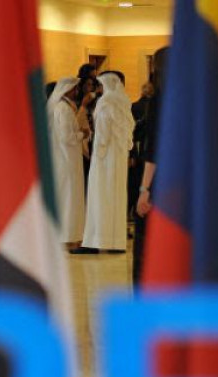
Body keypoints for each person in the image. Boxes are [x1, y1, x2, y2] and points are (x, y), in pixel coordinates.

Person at [75, 73, 135, 254]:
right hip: (119, 159)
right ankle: (116, 243)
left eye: (100, 85)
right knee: (116, 198)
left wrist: (97, 154)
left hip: (104, 160)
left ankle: (94, 242)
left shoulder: (105, 103)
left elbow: (102, 136)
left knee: (99, 197)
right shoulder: (124, 103)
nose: (99, 89)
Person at [134, 46, 168, 285]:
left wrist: (144, 190)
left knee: (149, 245)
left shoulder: (159, 100)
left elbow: (153, 149)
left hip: (160, 181)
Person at [48, 77, 90, 246]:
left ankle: (70, 235)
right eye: (74, 88)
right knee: (69, 198)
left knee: (68, 197)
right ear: (67, 90)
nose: (76, 91)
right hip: (67, 161)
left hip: (67, 160)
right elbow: (66, 137)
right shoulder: (63, 109)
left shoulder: (63, 107)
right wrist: (82, 134)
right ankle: (68, 237)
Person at [130, 83, 154, 217]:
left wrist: (132, 153)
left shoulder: (134, 106)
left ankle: (134, 209)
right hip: (148, 146)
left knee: (135, 178)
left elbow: (131, 130)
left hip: (137, 146)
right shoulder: (152, 106)